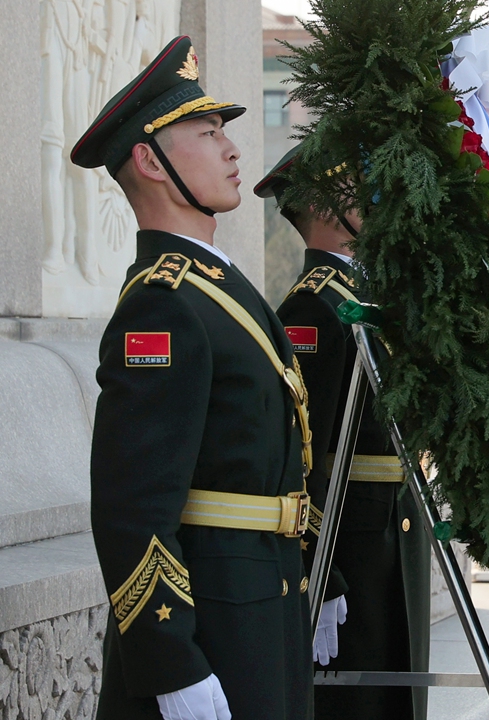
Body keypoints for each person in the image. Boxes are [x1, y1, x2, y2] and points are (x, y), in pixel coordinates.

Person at [74, 37, 313, 720]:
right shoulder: (165, 302)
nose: (232, 149)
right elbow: (131, 507)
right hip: (215, 625)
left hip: (263, 607)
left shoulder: (216, 290)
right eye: (207, 133)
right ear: (149, 160)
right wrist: (168, 661)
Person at [256, 147, 432, 720]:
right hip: (349, 544)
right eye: (359, 189)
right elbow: (297, 453)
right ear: (324, 206)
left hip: (388, 530)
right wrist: (317, 567)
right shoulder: (312, 306)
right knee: (355, 704)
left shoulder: (364, 297)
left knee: (394, 695)